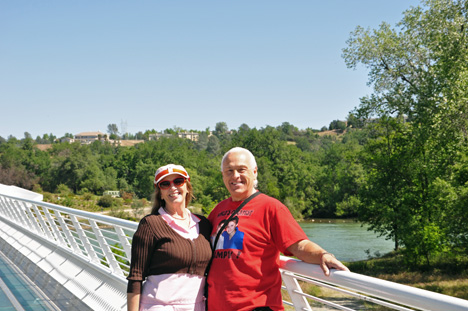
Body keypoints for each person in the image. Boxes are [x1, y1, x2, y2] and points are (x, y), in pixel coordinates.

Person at [207, 147, 350, 311]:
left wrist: (322, 255)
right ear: (223, 176)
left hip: (256, 306)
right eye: (229, 171)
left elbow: (298, 245)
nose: (235, 176)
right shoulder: (218, 210)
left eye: (241, 170)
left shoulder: (271, 208)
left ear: (254, 172)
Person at [127, 164, 212, 311]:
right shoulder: (150, 224)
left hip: (197, 306)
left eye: (178, 181)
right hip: (159, 306)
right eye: (165, 184)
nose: (173, 187)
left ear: (187, 187)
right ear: (160, 193)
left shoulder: (204, 224)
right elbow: (136, 277)